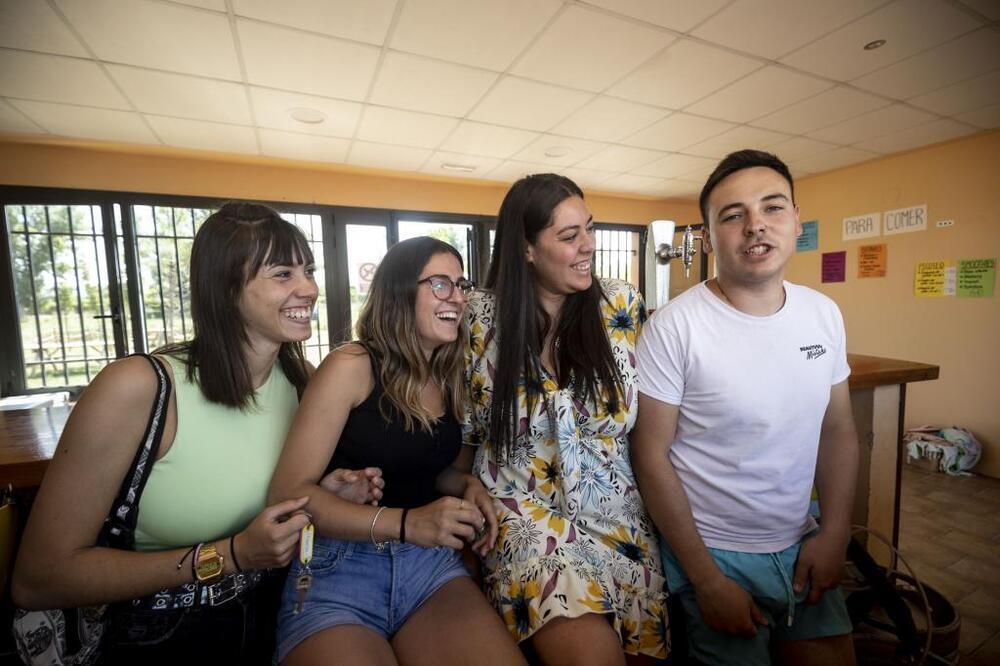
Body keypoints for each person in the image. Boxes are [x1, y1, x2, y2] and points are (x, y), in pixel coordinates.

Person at [12, 202, 382, 664]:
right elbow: (40, 577)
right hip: (155, 631)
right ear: (226, 289)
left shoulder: (303, 380)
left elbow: (266, 502)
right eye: (283, 273)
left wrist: (316, 495)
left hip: (274, 610)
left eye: (308, 270)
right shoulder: (139, 388)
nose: (309, 288)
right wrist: (231, 555)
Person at [631, 149, 859, 666]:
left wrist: (836, 532)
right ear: (710, 238)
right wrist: (706, 579)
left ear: (797, 220)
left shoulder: (824, 315)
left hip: (803, 540)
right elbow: (650, 456)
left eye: (772, 207)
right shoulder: (674, 328)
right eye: (733, 215)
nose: (756, 226)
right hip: (713, 553)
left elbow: (839, 429)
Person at [268, 236, 525, 665]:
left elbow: (426, 471)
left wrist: (466, 483)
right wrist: (408, 523)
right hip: (338, 568)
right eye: (440, 284)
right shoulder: (351, 366)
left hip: (428, 568)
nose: (458, 298)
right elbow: (286, 497)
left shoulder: (449, 373)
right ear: (400, 292)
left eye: (462, 285)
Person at [464, 174, 668, 665]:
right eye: (569, 235)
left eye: (590, 229)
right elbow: (457, 434)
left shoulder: (621, 306)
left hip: (623, 522)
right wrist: (461, 484)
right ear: (527, 248)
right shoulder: (478, 320)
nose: (589, 246)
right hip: (526, 516)